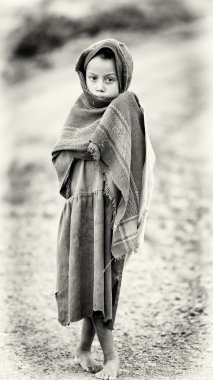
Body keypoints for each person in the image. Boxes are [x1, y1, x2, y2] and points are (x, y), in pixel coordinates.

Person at [51, 38, 155, 379]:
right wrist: (87, 148)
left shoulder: (126, 106)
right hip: (81, 209)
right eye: (93, 77)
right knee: (88, 280)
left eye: (109, 79)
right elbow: (62, 153)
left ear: (122, 78)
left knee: (105, 284)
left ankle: (110, 356)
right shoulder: (79, 108)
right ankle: (84, 349)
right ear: (84, 76)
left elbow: (134, 162)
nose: (100, 86)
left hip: (109, 210)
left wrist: (102, 148)